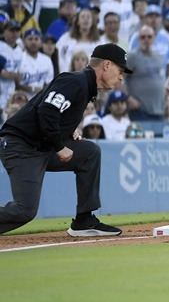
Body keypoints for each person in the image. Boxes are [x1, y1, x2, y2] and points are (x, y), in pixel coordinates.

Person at [0, 43, 131, 236]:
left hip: (40, 146)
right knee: (25, 210)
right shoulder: (76, 81)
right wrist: (59, 146)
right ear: (106, 65)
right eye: (120, 71)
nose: (121, 77)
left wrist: (66, 132)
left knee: (90, 152)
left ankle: (84, 221)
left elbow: (52, 112)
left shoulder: (85, 86)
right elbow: (46, 110)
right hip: (21, 146)